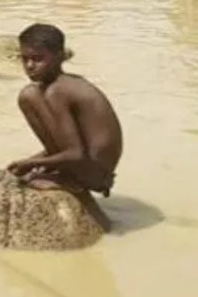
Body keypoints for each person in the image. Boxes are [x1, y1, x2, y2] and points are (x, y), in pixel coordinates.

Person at [8, 24, 122, 196]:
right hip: (96, 169)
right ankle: (67, 173)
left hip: (94, 173)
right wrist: (38, 160)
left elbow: (76, 154)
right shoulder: (63, 84)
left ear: (59, 57)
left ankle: (71, 179)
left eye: (38, 59)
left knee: (28, 95)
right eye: (25, 59)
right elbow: (75, 144)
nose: (30, 65)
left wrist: (29, 164)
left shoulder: (58, 91)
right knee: (30, 94)